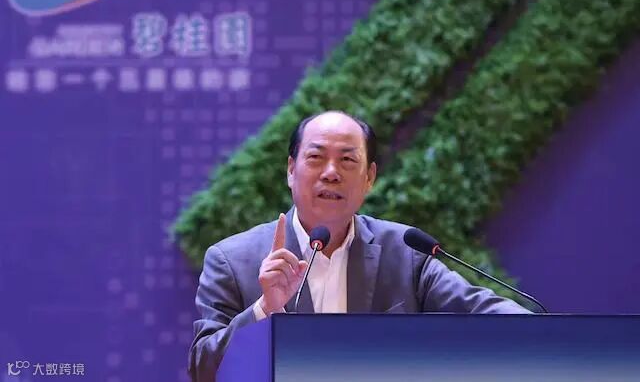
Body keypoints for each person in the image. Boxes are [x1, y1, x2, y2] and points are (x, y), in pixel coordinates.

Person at [188, 111, 529, 381]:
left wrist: (544, 334)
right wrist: (265, 309)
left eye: (348, 161)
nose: (331, 173)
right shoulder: (231, 260)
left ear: (369, 178)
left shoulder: (405, 253)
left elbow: (485, 312)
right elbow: (204, 370)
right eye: (316, 157)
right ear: (291, 170)